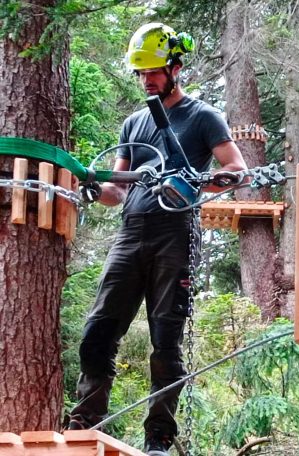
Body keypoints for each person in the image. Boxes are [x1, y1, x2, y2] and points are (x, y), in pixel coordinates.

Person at [67, 23, 248, 456]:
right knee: (97, 333)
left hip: (175, 234)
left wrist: (193, 187)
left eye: (154, 71)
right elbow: (118, 190)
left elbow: (237, 170)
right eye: (140, 72)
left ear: (175, 67)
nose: (147, 79)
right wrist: (95, 187)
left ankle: (158, 440)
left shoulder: (203, 116)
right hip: (130, 234)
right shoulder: (134, 121)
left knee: (165, 342)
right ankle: (84, 424)